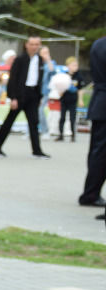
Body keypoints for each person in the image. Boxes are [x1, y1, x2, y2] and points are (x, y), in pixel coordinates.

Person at [0, 35, 49, 160]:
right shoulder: (20, 59)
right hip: (19, 94)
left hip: (33, 95)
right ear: (27, 45)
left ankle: (37, 150)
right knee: (9, 121)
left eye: (36, 44)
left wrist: (39, 97)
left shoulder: (40, 60)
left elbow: (40, 79)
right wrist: (13, 97)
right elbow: (13, 79)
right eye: (32, 44)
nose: (34, 47)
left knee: (34, 122)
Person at [81, 37, 106, 209]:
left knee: (96, 151)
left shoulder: (98, 44)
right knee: (100, 153)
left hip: (99, 101)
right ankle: (90, 193)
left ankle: (91, 191)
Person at [54, 56, 87, 142]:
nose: (76, 67)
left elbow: (80, 89)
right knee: (62, 118)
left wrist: (80, 100)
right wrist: (59, 92)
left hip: (73, 99)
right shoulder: (63, 75)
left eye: (76, 65)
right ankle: (60, 134)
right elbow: (58, 86)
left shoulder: (78, 76)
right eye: (73, 65)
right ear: (68, 66)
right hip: (64, 99)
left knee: (72, 118)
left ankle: (73, 135)